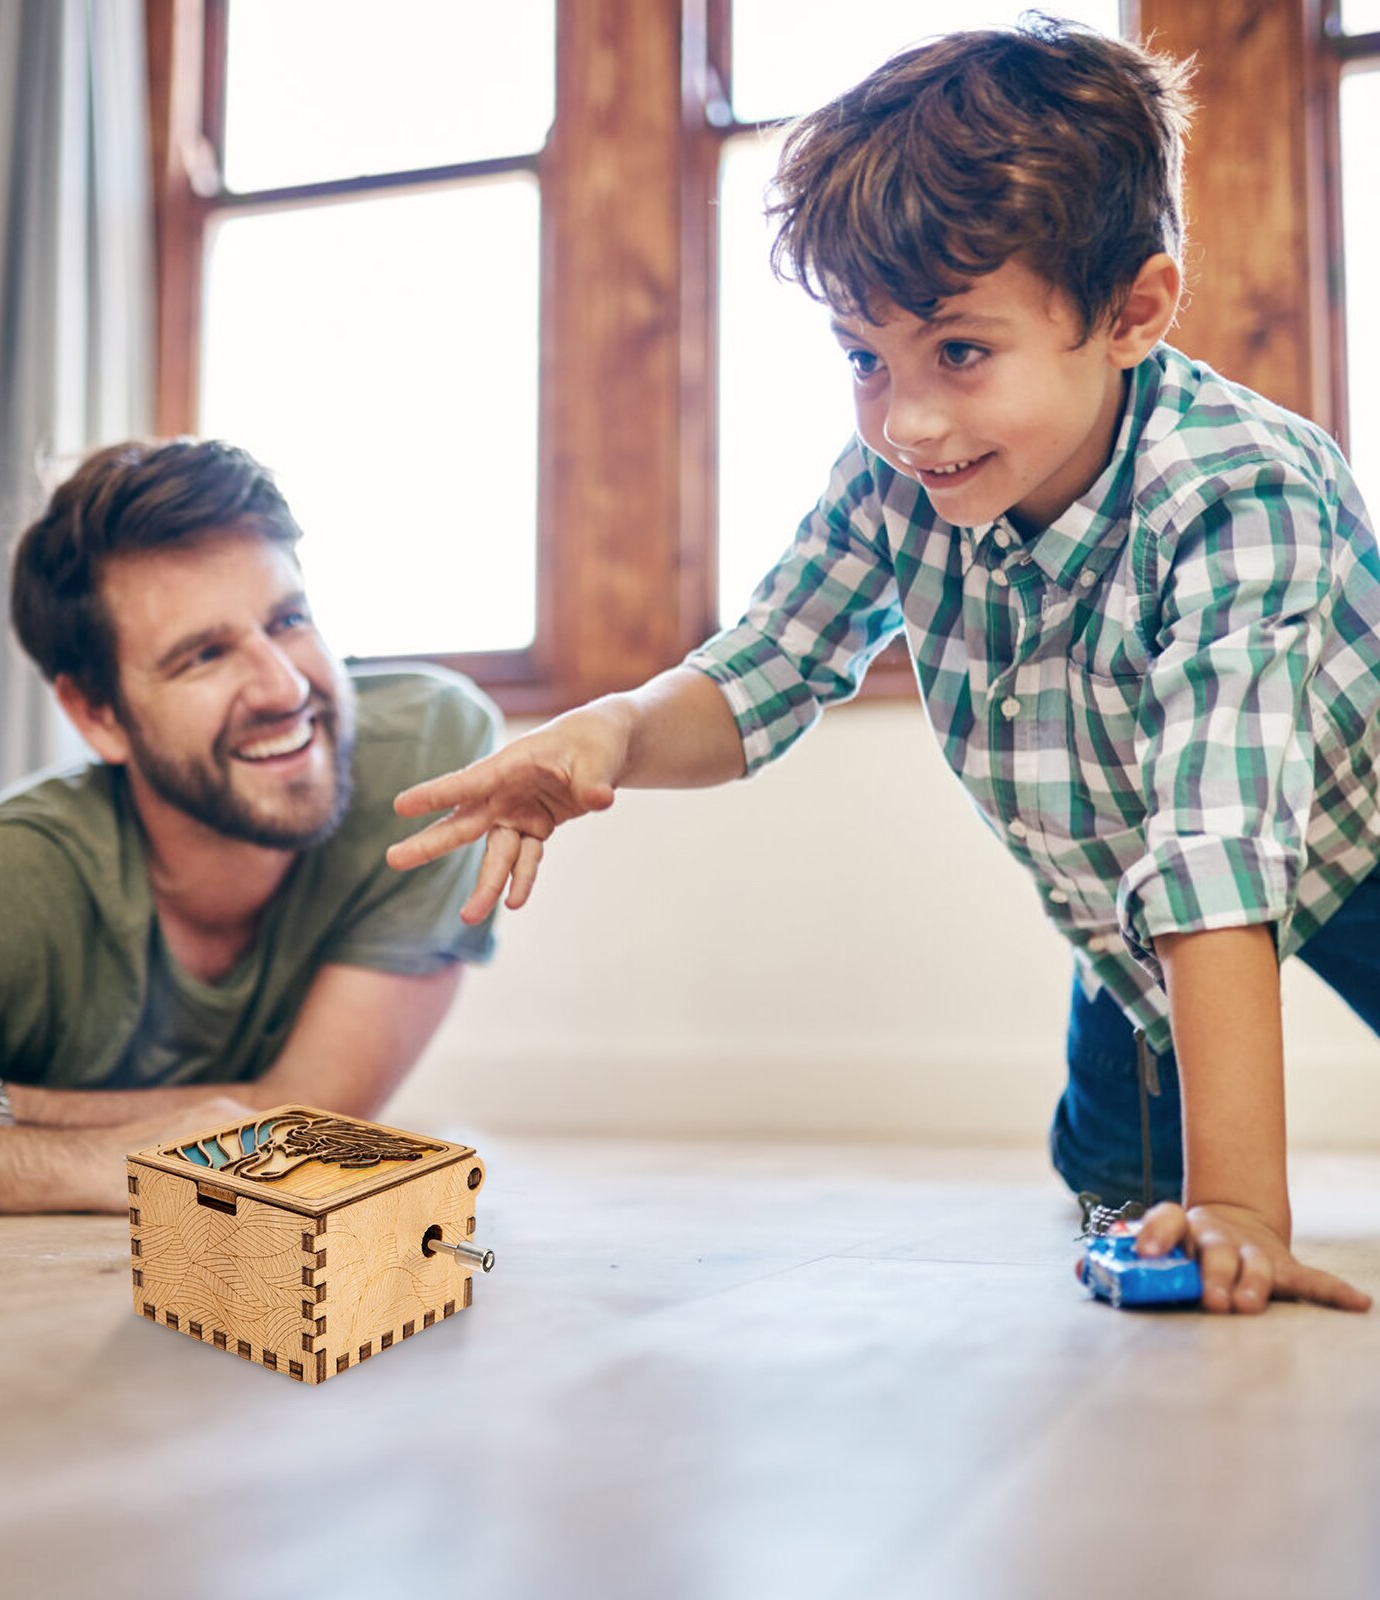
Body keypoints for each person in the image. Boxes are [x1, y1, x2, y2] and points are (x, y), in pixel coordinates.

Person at [387, 17, 1380, 1316]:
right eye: (867, 359)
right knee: (1115, 1183)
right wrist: (613, 732)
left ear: (1133, 310)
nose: (907, 420)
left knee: (1217, 1164)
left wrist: (1246, 1210)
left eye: (961, 352)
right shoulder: (900, 480)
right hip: (1128, 906)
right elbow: (763, 674)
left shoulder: (1239, 494)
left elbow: (1218, 852)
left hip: (1342, 833)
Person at [0, 439, 498, 1216]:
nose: (284, 686)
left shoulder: (429, 765)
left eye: (287, 619)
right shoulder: (15, 884)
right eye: (204, 656)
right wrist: (84, 1163)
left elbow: (311, 1115)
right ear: (98, 715)